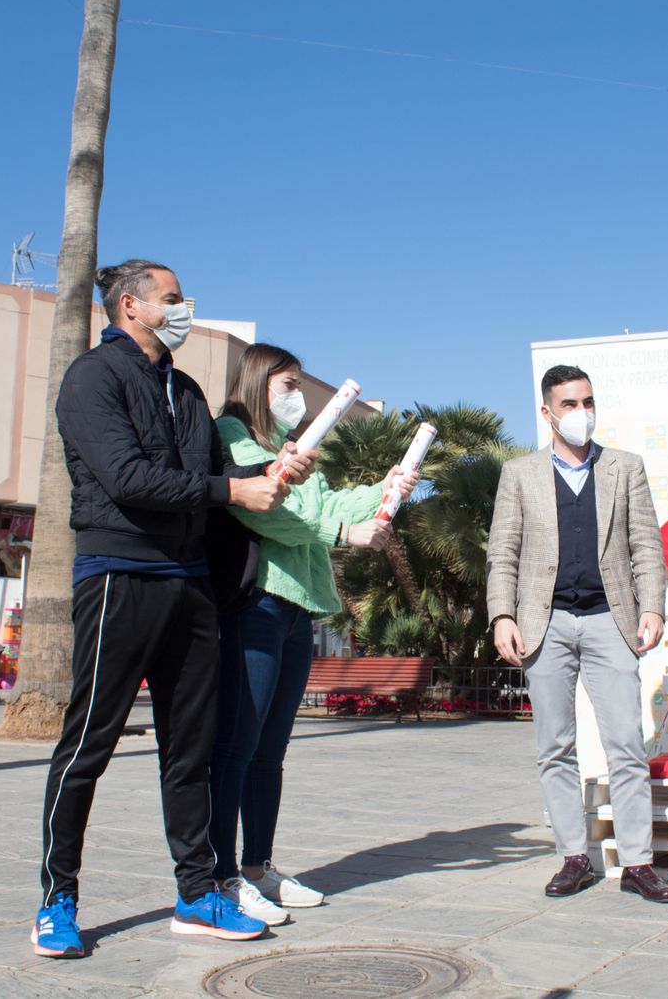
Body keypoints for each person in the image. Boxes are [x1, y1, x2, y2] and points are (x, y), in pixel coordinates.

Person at [32, 260, 318, 959]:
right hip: (119, 578)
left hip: (189, 587)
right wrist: (232, 493)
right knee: (88, 745)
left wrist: (270, 474)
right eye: (173, 298)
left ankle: (196, 893)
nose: (184, 307)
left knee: (188, 751)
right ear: (130, 306)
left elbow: (211, 482)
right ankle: (56, 898)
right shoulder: (92, 379)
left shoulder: (185, 389)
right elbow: (128, 477)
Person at [208, 344, 418, 926]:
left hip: (300, 610)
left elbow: (325, 503)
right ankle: (221, 874)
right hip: (257, 604)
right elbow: (264, 511)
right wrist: (343, 531)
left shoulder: (294, 451)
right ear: (257, 384)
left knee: (270, 750)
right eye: (288, 384)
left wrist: (385, 486)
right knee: (237, 743)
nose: (298, 397)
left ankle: (258, 867)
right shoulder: (233, 436)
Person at [486, 364, 668, 903]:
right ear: (547, 412)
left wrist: (654, 607)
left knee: (625, 745)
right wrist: (503, 615)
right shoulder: (519, 473)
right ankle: (574, 856)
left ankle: (638, 862)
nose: (581, 413)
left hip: (608, 620)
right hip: (543, 624)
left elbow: (646, 545)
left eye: (587, 401)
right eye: (568, 404)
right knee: (554, 747)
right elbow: (503, 552)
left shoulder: (624, 467)